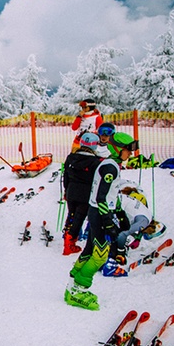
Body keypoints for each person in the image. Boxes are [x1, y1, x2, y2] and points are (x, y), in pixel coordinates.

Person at [66, 132, 139, 308]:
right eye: (127, 150)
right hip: (99, 213)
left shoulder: (111, 164)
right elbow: (101, 197)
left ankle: (72, 287)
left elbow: (112, 193)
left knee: (89, 250)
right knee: (100, 256)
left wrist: (120, 212)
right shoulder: (110, 167)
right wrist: (108, 221)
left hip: (97, 212)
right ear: (116, 148)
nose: (130, 154)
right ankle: (79, 288)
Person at [62, 132, 102, 256]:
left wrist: (66, 190)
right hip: (85, 194)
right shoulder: (95, 162)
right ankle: (69, 244)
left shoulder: (71, 157)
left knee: (72, 215)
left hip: (71, 191)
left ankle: (67, 239)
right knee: (79, 218)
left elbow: (66, 176)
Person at [110, 181, 152, 265]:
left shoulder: (148, 216)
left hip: (117, 201)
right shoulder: (144, 221)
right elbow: (123, 234)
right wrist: (121, 250)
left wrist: (137, 238)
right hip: (114, 205)